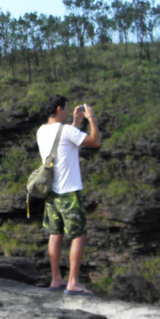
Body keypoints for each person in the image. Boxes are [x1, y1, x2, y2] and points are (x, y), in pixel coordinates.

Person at [37, 95, 101, 295]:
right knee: (79, 235)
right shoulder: (66, 131)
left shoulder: (41, 131)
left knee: (55, 234)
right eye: (65, 109)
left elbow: (65, 144)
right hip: (69, 192)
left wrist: (75, 122)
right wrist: (91, 119)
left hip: (51, 192)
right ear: (58, 109)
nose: (66, 111)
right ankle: (73, 282)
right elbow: (94, 141)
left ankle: (56, 279)